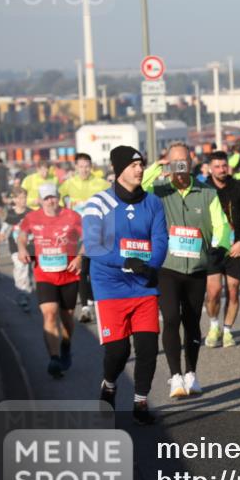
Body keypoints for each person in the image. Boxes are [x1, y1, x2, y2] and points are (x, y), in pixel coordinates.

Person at [82, 146, 168, 425]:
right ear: (120, 169)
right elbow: (93, 247)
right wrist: (126, 261)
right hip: (110, 285)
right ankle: (109, 384)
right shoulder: (98, 204)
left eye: (142, 164)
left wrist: (150, 266)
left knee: (147, 347)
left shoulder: (153, 202)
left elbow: (161, 239)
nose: (140, 169)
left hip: (143, 283)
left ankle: (140, 403)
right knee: (119, 351)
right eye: (134, 165)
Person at [143, 143, 231, 398]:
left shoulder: (206, 192)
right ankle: (175, 377)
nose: (180, 169)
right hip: (167, 267)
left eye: (183, 162)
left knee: (191, 321)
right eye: (174, 163)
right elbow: (137, 188)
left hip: (196, 268)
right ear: (168, 164)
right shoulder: (158, 191)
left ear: (191, 163)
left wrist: (220, 247)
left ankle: (191, 373)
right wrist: (156, 168)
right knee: (170, 318)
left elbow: (221, 225)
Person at [17, 183, 82, 378]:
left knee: (67, 317)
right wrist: (21, 248)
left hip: (69, 273)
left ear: (58, 197)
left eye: (53, 197)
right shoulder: (32, 217)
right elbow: (22, 236)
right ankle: (54, 359)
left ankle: (66, 344)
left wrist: (79, 257)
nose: (50, 201)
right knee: (50, 313)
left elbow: (89, 239)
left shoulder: (73, 217)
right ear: (40, 200)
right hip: (44, 274)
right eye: (46, 198)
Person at [205, 150, 240, 348]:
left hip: (235, 247)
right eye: (217, 166)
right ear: (210, 168)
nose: (221, 169)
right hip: (212, 248)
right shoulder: (204, 189)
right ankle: (214, 325)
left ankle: (227, 331)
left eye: (224, 166)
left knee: (233, 291)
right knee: (214, 292)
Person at [59, 153, 110, 323]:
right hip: (76, 234)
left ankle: (96, 304)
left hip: (97, 232)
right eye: (80, 166)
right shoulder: (68, 184)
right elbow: (58, 201)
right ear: (76, 168)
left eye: (87, 166)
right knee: (82, 270)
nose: (84, 170)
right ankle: (87, 308)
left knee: (95, 270)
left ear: (91, 166)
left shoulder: (100, 183)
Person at [2, 188, 34, 312]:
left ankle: (24, 290)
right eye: (19, 198)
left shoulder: (31, 213)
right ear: (14, 199)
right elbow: (6, 227)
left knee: (27, 271)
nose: (22, 200)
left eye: (24, 197)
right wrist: (2, 234)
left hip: (30, 246)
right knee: (21, 267)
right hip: (15, 247)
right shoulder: (11, 213)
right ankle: (24, 295)